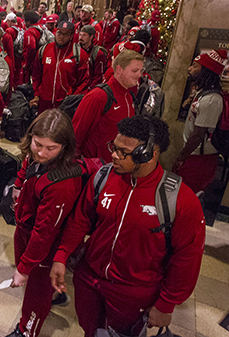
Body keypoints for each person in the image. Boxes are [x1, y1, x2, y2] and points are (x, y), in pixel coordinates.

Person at [50, 115, 206, 337]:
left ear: (149, 155)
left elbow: (187, 259)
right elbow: (80, 220)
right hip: (89, 280)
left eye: (123, 151)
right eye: (114, 147)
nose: (114, 155)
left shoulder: (180, 200)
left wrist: (166, 304)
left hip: (134, 294)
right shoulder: (103, 177)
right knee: (90, 330)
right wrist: (62, 255)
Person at [6, 109, 83, 337]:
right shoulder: (37, 155)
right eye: (37, 144)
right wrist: (19, 185)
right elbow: (27, 165)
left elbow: (44, 233)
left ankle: (26, 331)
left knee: (36, 294)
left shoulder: (62, 184)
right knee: (39, 288)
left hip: (42, 245)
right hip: (25, 229)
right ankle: (52, 296)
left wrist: (24, 267)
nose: (41, 153)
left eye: (51, 148)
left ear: (64, 148)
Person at [73, 49, 143, 162]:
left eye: (140, 70)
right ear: (119, 70)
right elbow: (76, 133)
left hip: (114, 166)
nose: (139, 75)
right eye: (135, 70)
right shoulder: (98, 96)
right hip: (94, 167)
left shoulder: (129, 97)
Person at [173, 49, 226, 194]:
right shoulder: (202, 94)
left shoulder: (211, 100)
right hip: (194, 155)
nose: (190, 69)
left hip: (200, 158)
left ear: (206, 71)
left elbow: (198, 134)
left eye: (195, 66)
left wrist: (181, 157)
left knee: (189, 194)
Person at [31, 21, 89, 113]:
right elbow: (36, 75)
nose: (61, 36)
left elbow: (84, 82)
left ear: (71, 36)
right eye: (59, 32)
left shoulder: (80, 54)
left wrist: (72, 99)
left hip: (66, 105)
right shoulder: (44, 50)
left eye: (66, 34)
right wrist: (37, 95)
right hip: (45, 102)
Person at [21, 11, 42, 84]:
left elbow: (31, 47)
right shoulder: (41, 27)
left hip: (33, 62)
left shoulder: (30, 31)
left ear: (28, 21)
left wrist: (27, 63)